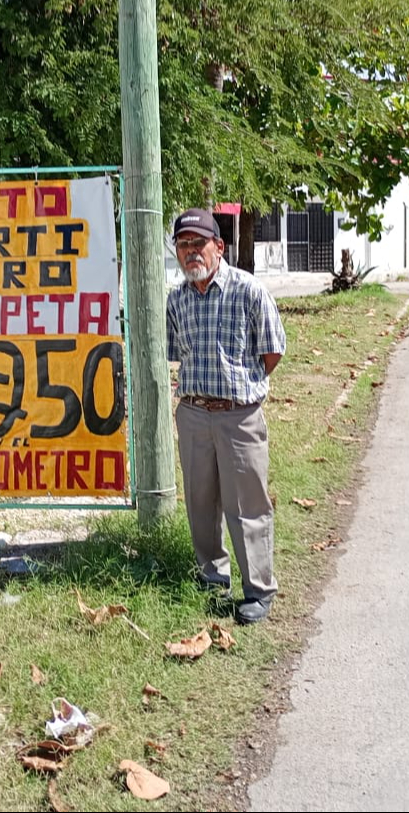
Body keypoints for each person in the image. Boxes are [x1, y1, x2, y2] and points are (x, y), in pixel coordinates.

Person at [165, 208, 286, 625]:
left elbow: (272, 352)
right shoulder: (176, 299)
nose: (191, 252)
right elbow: (174, 353)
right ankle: (212, 576)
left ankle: (258, 589)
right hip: (194, 415)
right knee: (200, 503)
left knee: (247, 505)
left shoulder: (249, 291)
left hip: (239, 417)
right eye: (184, 245)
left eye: (200, 243)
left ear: (219, 247)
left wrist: (240, 392)